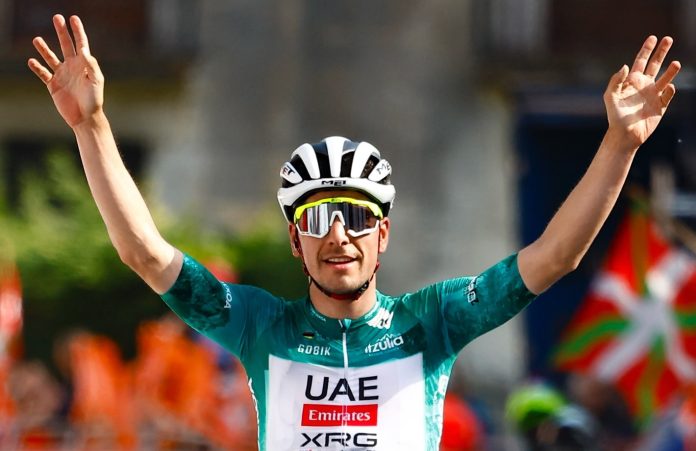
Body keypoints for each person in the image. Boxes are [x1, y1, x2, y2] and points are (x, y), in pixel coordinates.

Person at [27, 13, 680, 451]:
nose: (338, 233)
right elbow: (145, 253)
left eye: (358, 216)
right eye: (316, 218)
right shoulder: (261, 325)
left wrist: (620, 144)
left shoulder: (432, 321)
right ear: (295, 242)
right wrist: (92, 126)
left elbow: (556, 256)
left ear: (383, 234)